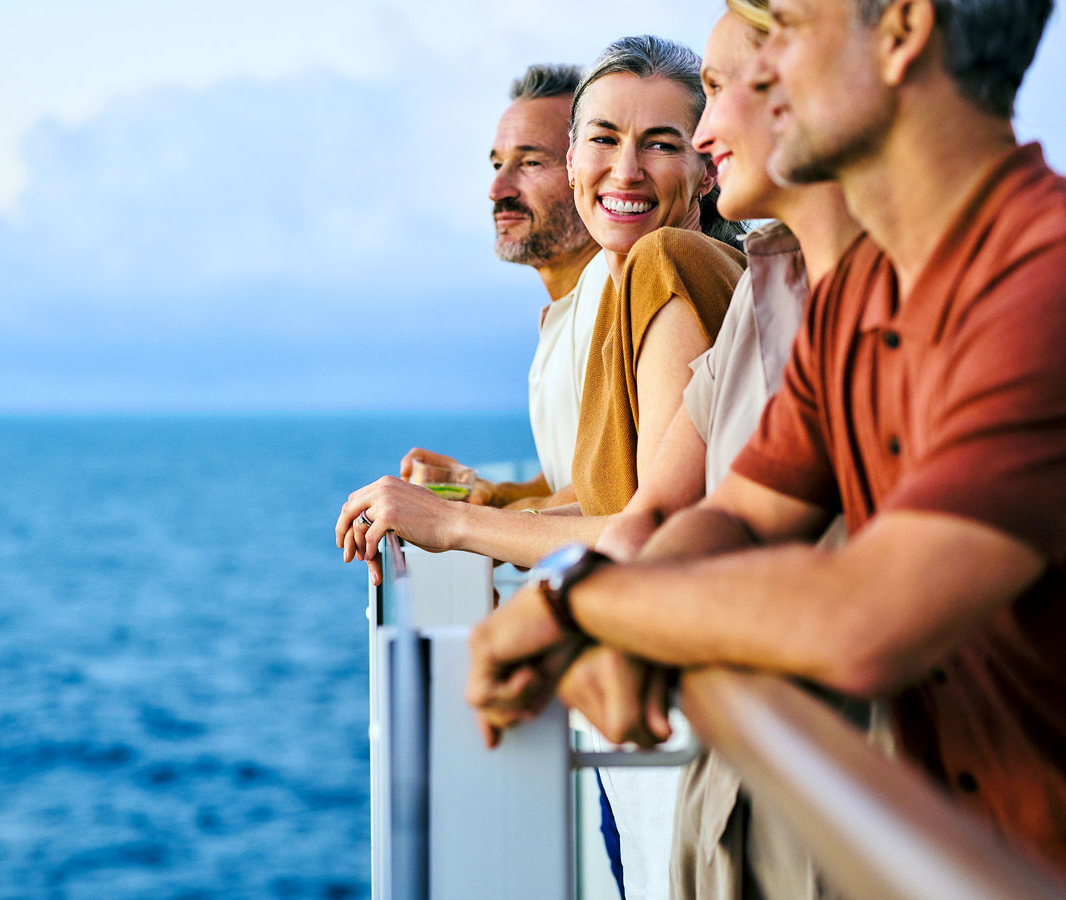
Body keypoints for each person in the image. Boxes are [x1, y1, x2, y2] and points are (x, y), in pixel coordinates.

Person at [467, 0, 1066, 878]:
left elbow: (870, 614)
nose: (750, 86)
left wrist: (579, 608)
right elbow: (739, 514)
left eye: (781, 28)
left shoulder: (1037, 288)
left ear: (900, 33)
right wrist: (613, 602)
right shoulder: (855, 295)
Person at [564, 6, 861, 898]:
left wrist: (460, 529)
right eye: (604, 137)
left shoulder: (676, 268)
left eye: (719, 96)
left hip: (825, 790)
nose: (701, 132)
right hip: (728, 779)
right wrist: (575, 616)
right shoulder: (762, 285)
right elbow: (688, 510)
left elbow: (665, 514)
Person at [336, 37, 744, 581]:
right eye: (605, 138)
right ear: (577, 159)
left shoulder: (665, 260)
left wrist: (453, 522)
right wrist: (473, 502)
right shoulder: (627, 295)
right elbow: (615, 506)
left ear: (708, 168)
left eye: (662, 145)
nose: (626, 171)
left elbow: (655, 532)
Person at [404, 64, 608, 513]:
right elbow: (571, 477)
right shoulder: (568, 311)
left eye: (531, 162)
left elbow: (605, 496)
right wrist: (490, 494)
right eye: (498, 164)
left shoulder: (609, 290)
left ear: (589, 171)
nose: (497, 189)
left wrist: (455, 522)